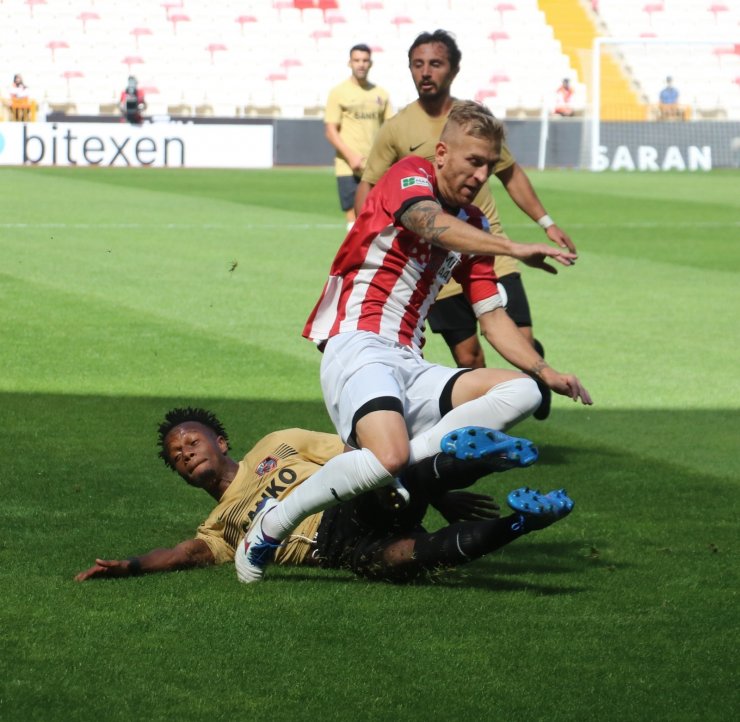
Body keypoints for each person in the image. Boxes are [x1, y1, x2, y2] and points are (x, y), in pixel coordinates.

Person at [236, 101, 592, 583]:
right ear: (443, 153)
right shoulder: (410, 176)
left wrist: (547, 372)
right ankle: (271, 525)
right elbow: (425, 220)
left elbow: (492, 316)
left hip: (409, 360)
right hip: (357, 342)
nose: (482, 173)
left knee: (524, 391)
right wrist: (513, 247)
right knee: (388, 458)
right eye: (474, 160)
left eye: (490, 164)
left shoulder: (476, 226)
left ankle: (420, 457)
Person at [74, 408, 574, 584]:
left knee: (388, 485)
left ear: (220, 442)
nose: (185, 454)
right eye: (176, 456)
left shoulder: (279, 443)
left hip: (346, 507)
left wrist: (441, 497)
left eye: (191, 442)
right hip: (339, 553)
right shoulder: (221, 527)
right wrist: (132, 566)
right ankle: (524, 522)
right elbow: (182, 554)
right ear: (179, 474)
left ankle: (491, 456)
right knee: (408, 560)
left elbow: (371, 452)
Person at [354, 30, 575, 421]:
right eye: (418, 64)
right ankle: (481, 431)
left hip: (488, 248)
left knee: (518, 338)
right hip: (433, 262)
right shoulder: (397, 129)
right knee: (468, 356)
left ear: (453, 69)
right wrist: (363, 242)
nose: (426, 73)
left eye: (435, 64)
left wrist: (545, 222)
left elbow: (511, 174)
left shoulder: (475, 125)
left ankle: (533, 375)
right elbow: (371, 186)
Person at [324, 44, 393, 232]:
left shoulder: (381, 94)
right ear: (349, 63)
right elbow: (330, 130)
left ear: (371, 63)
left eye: (364, 60)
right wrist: (350, 155)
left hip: (374, 165)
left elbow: (389, 130)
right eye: (357, 60)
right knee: (354, 218)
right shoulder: (338, 92)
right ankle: (355, 260)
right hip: (347, 165)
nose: (361, 64)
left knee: (379, 216)